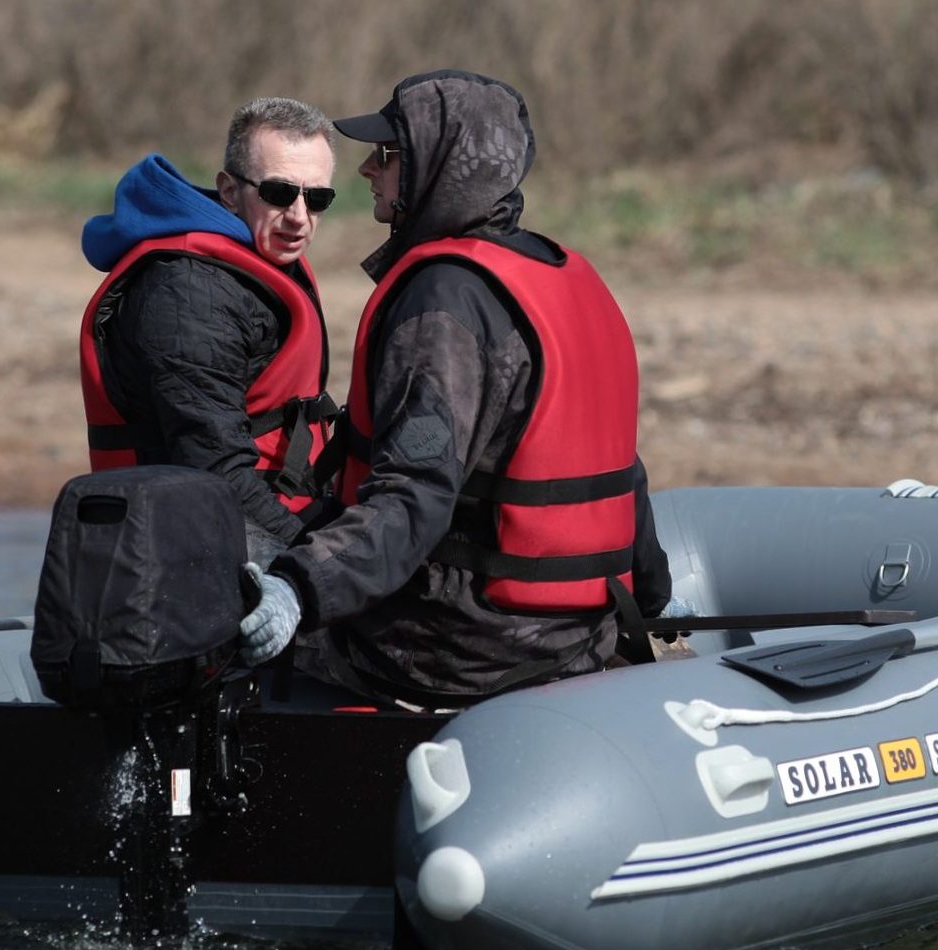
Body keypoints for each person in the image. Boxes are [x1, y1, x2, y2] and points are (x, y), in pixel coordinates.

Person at [238, 70, 672, 708]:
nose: (366, 171)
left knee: (214, 623)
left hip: (457, 651)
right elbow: (622, 475)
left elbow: (413, 497)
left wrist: (298, 588)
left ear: (436, 169)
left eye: (386, 156)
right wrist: (656, 604)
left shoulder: (443, 303)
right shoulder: (562, 275)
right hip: (581, 635)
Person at [78, 97, 337, 565]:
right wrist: (327, 568)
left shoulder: (261, 261)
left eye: (317, 197)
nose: (300, 216)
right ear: (230, 191)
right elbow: (217, 475)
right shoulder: (189, 295)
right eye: (279, 193)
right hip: (186, 554)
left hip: (282, 514)